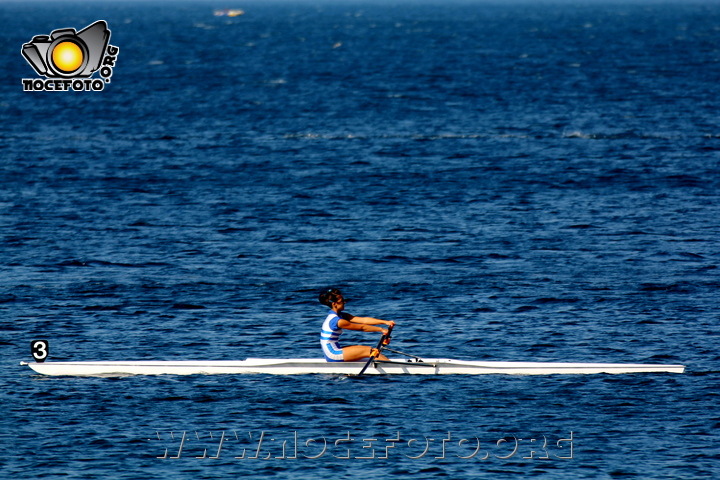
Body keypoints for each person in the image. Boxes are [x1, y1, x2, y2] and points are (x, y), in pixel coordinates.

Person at [318, 288, 395, 362]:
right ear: (334, 304)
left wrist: (385, 322)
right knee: (368, 351)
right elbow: (362, 328)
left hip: (335, 350)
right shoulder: (337, 320)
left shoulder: (341, 315)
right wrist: (381, 329)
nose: (345, 302)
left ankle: (389, 364)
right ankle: (394, 369)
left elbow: (363, 320)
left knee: (367, 350)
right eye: (342, 301)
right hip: (332, 354)